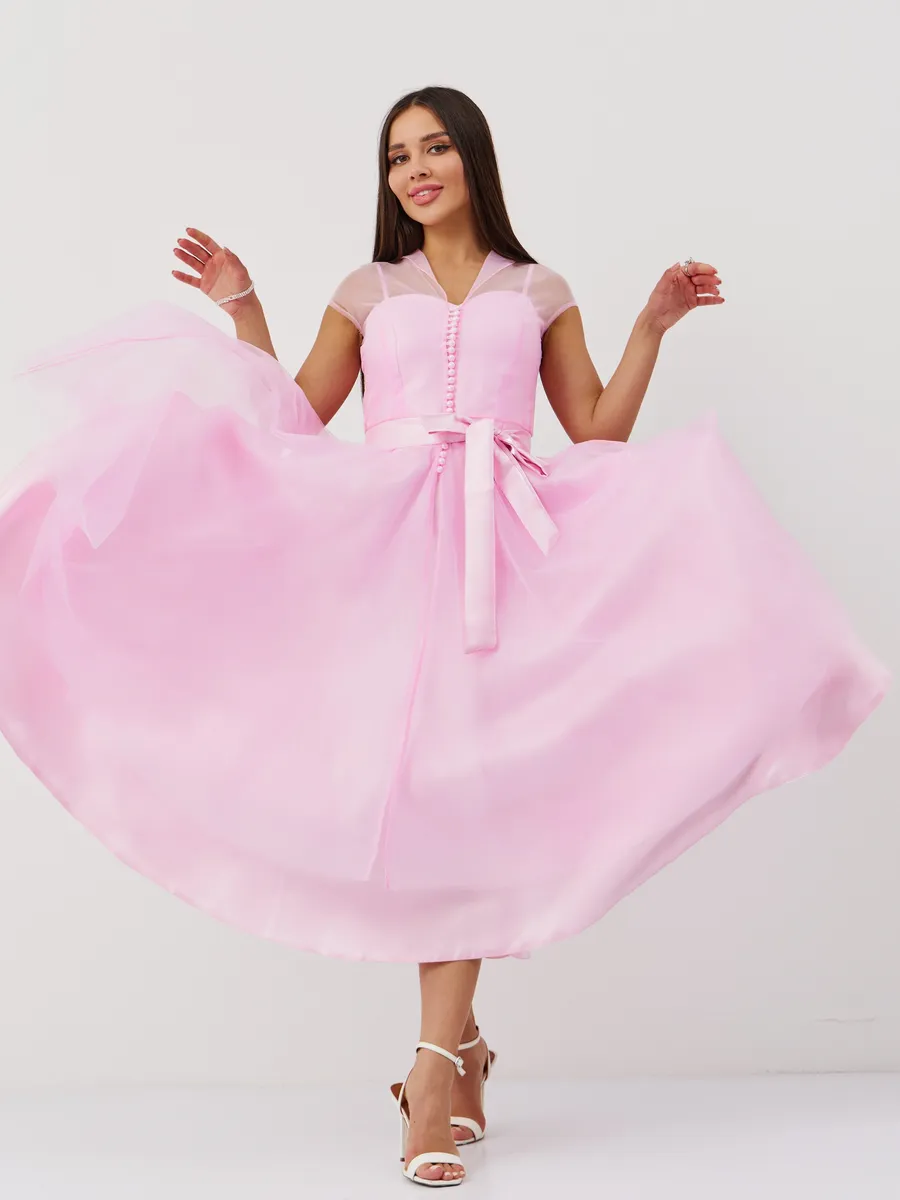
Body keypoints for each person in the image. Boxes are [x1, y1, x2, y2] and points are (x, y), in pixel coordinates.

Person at [0, 85, 889, 1187]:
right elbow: (292, 420)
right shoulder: (368, 290)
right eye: (396, 157)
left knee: (465, 799)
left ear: (473, 157)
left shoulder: (540, 288)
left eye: (432, 149)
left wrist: (651, 327)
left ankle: (435, 1073)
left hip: (510, 555)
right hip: (387, 558)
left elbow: (597, 430)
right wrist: (244, 310)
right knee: (432, 800)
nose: (414, 171)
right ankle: (453, 1056)